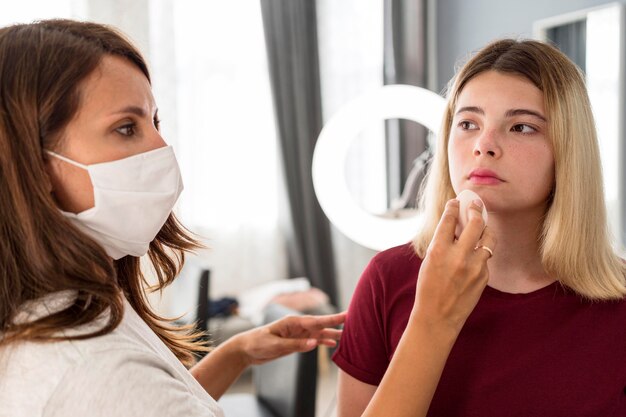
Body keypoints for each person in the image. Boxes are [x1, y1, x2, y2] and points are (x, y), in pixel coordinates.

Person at [0, 18, 496, 417]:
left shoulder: (70, 317)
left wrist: (234, 354)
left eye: (155, 122)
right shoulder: (87, 367)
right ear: (32, 163)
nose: (162, 148)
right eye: (126, 128)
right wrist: (434, 321)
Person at [334, 38, 626, 417]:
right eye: (468, 123)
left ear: (568, 151)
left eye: (521, 127)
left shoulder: (616, 307)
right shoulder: (386, 280)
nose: (484, 145)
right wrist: (432, 320)